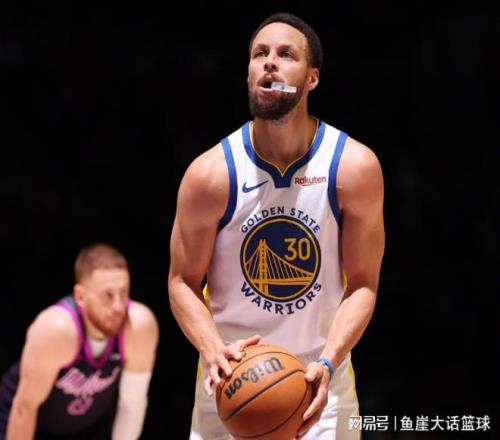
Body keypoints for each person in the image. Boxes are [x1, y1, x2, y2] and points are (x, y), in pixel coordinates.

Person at [168, 12, 384, 440]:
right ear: (249, 74)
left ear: (311, 79)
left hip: (322, 384)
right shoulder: (210, 175)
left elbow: (363, 284)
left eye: (286, 55)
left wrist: (329, 360)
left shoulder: (353, 167)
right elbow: (181, 282)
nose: (270, 62)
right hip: (231, 383)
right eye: (259, 55)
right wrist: (213, 350)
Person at [0, 243, 159, 440]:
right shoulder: (56, 330)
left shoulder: (139, 327)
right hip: (21, 419)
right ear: (80, 296)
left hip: (84, 428)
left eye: (123, 292)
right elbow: (24, 408)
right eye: (108, 295)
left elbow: (131, 404)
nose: (118, 306)